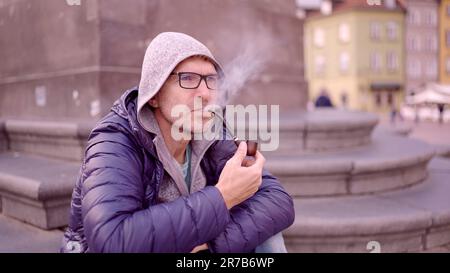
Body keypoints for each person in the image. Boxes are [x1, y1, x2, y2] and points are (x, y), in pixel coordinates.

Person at [60, 32, 295, 253]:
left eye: (211, 80)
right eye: (188, 78)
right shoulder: (116, 140)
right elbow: (111, 240)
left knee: (268, 235)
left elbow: (278, 201)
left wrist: (209, 243)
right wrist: (223, 197)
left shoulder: (213, 135)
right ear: (153, 95)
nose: (205, 93)